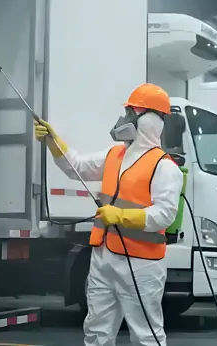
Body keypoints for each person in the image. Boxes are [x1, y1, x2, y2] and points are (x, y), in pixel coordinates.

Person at [34, 83, 182, 346]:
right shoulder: (115, 155)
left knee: (146, 335)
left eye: (132, 112)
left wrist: (121, 215)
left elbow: (164, 215)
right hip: (104, 257)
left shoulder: (164, 167)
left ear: (150, 120)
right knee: (97, 331)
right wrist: (52, 141)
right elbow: (77, 167)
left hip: (141, 263)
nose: (125, 118)